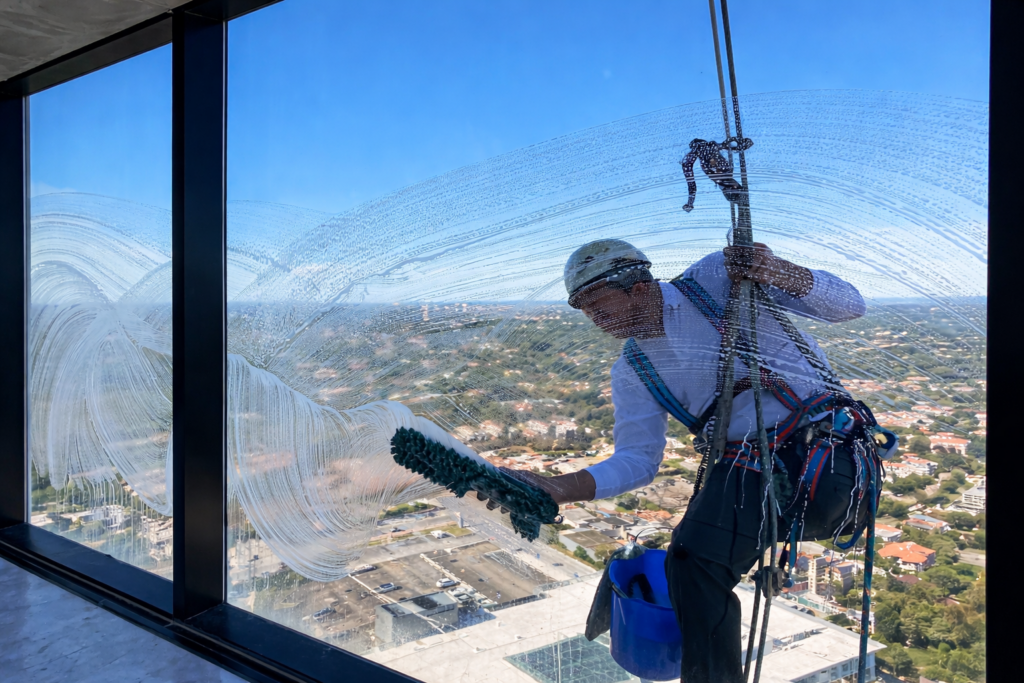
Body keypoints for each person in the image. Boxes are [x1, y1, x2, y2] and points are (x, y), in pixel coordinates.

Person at [488, 238, 882, 683]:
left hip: (828, 460)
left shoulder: (715, 279)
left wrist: (777, 271)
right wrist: (561, 487)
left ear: (638, 288)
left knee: (693, 562)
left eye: (599, 304)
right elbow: (638, 459)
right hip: (758, 474)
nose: (594, 319)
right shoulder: (634, 368)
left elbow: (849, 305)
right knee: (687, 565)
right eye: (584, 310)